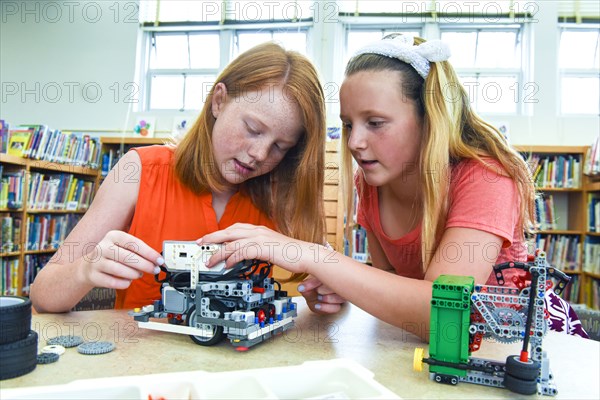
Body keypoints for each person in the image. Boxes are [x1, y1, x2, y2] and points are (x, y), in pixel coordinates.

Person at [199, 34, 539, 341]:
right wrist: (346, 286)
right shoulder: (372, 182)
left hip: (507, 345)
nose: (355, 142)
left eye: (375, 123)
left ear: (430, 120)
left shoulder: (486, 178)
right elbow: (392, 286)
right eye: (348, 124)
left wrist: (319, 259)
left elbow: (445, 315)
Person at [30, 42, 327, 313]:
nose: (260, 154)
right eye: (252, 128)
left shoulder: (280, 193)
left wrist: (323, 291)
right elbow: (43, 295)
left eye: (280, 147)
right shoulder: (139, 171)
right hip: (143, 364)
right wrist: (84, 270)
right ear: (219, 101)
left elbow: (323, 278)